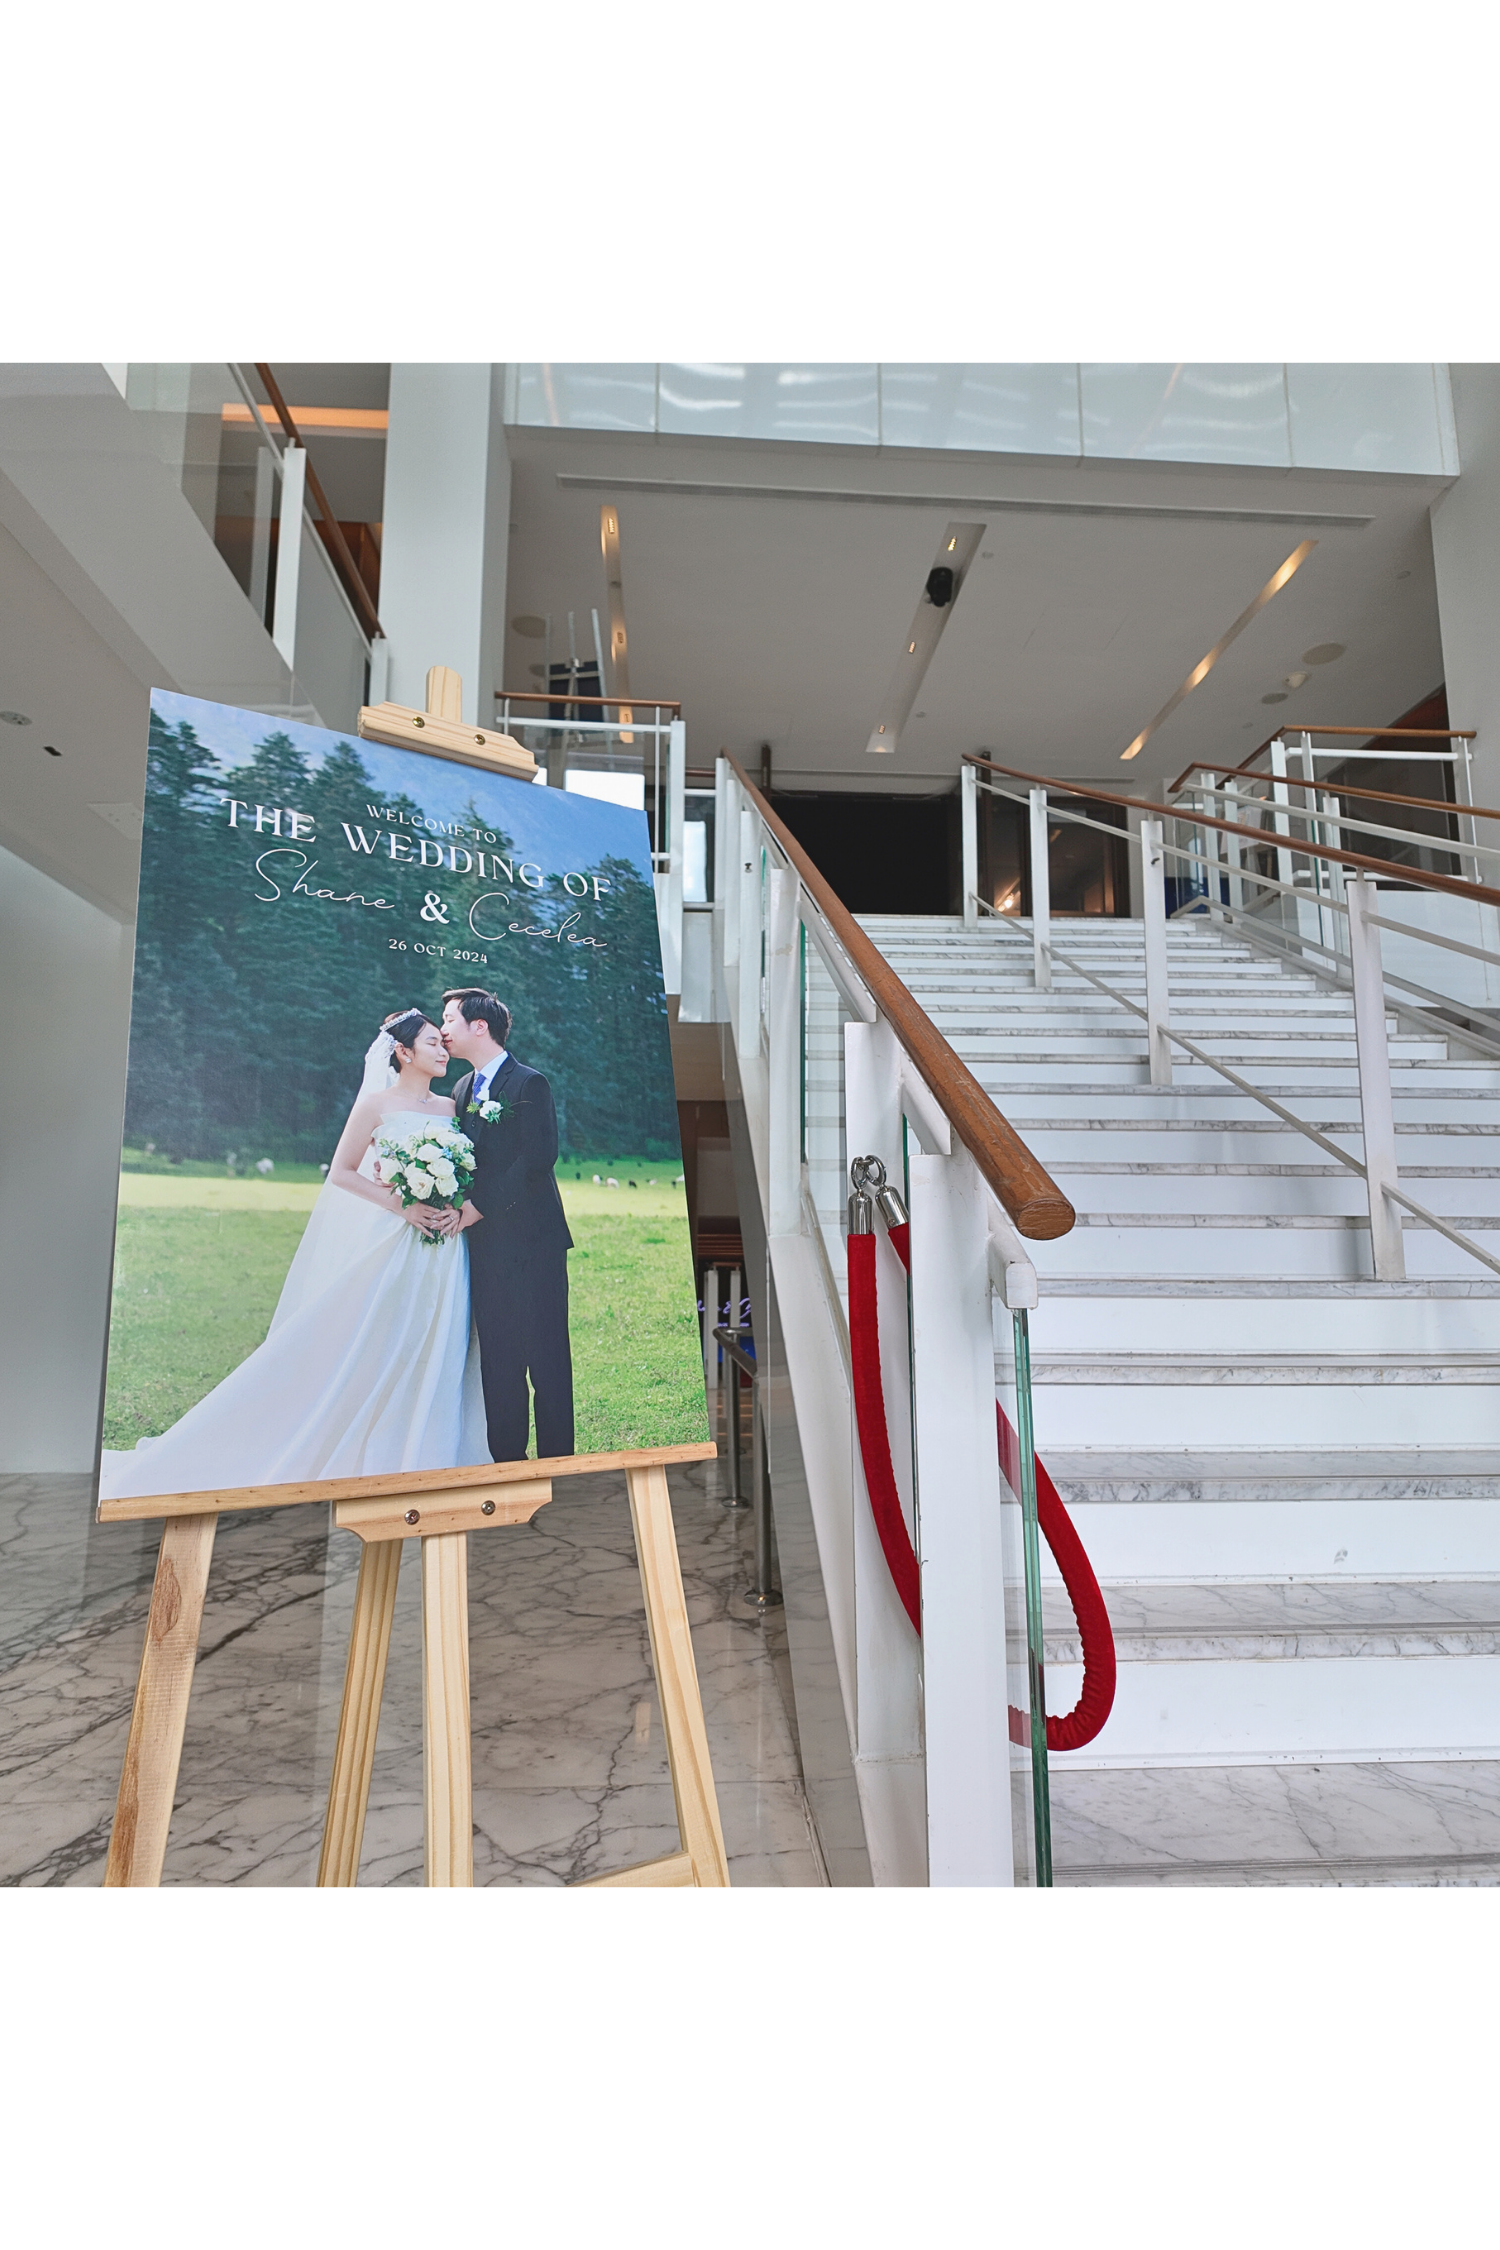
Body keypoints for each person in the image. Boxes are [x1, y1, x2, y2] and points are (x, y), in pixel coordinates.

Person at [98, 1010, 488, 1500]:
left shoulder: (451, 1110)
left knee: (440, 1341)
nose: (442, 1049)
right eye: (432, 1042)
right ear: (404, 1053)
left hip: (447, 1254)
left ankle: (427, 1452)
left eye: (442, 1042)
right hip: (398, 1242)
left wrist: (451, 1205)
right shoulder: (376, 1105)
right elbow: (343, 1173)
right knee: (382, 1340)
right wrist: (402, 1206)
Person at [441, 987, 575, 1461]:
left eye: (450, 1020)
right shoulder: (460, 1090)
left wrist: (479, 1206)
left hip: (535, 1244)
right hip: (485, 1248)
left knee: (547, 1360)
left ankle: (559, 1464)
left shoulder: (527, 1083)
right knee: (498, 1362)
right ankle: (507, 1468)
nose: (443, 1030)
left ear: (480, 1026)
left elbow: (539, 1158)